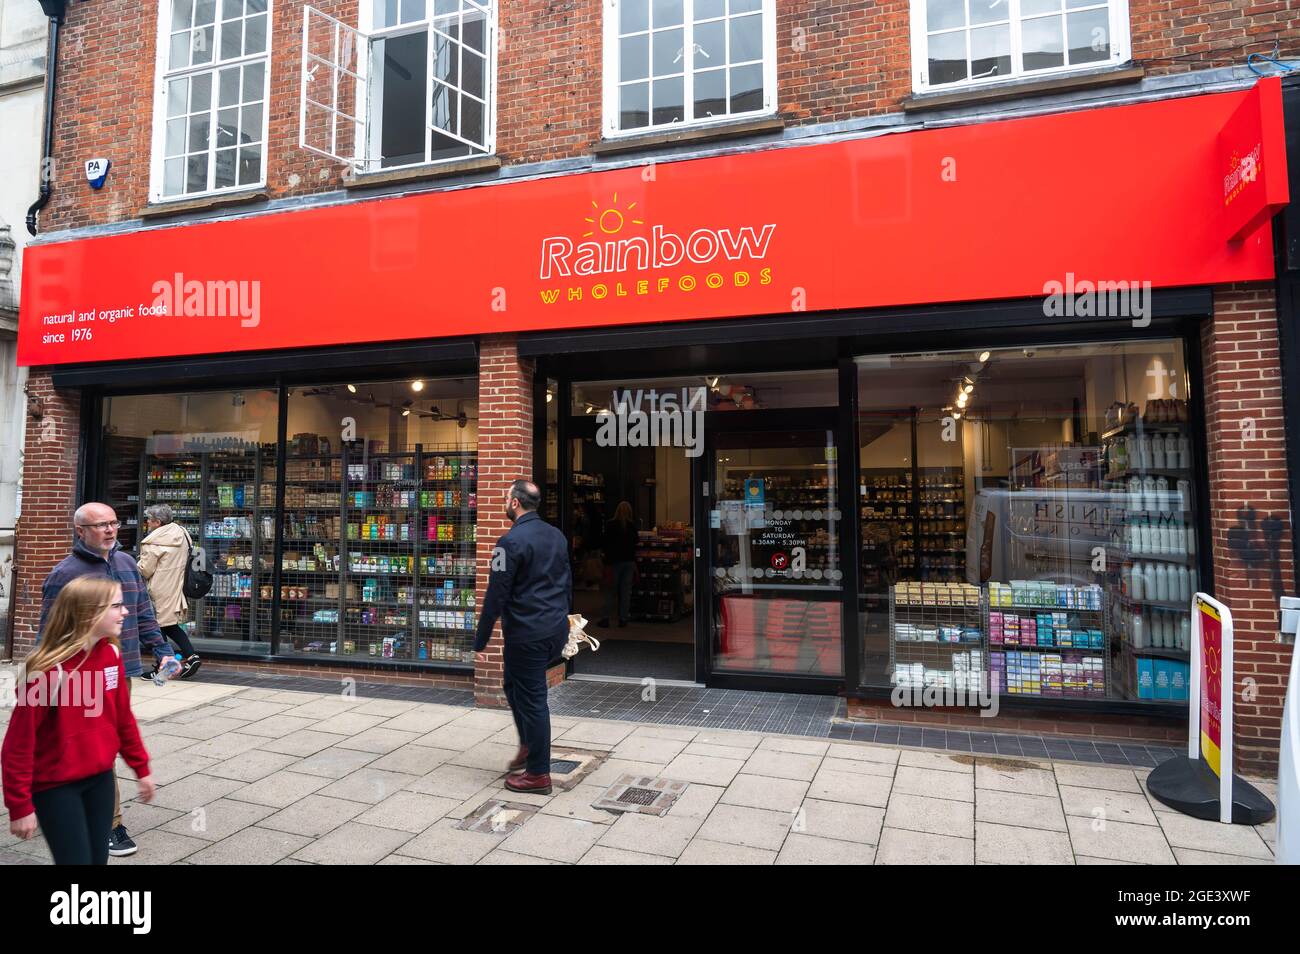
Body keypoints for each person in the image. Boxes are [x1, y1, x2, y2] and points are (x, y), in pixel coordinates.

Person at [39, 502, 167, 858]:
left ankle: (74, 804)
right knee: (96, 748)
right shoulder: (65, 573)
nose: (110, 530)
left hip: (120, 668)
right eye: (100, 525)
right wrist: (42, 678)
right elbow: (47, 631)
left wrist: (161, 649)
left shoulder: (127, 564)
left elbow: (142, 611)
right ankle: (109, 824)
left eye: (113, 523)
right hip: (78, 675)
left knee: (110, 740)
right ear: (80, 531)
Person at [3, 576, 155, 865]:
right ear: (88, 613)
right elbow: (17, 746)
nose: (125, 612)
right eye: (117, 605)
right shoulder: (47, 672)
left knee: (97, 860)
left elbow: (123, 719)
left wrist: (141, 768)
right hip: (56, 787)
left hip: (100, 781)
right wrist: (19, 805)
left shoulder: (111, 654)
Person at [474, 479, 572, 795]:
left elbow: (495, 595)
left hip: (528, 634)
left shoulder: (508, 543)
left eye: (506, 498)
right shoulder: (557, 536)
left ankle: (538, 774)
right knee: (513, 684)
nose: (504, 502)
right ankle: (529, 745)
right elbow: (567, 581)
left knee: (533, 700)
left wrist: (481, 639)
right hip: (554, 629)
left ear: (515, 503)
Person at [138, 504, 202, 679]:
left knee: (157, 627)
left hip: (159, 588)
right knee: (168, 625)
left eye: (149, 520)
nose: (147, 523)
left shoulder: (154, 541)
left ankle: (162, 667)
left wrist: (133, 565)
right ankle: (191, 656)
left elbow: (145, 570)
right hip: (176, 585)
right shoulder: (182, 532)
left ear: (157, 522)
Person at [598, 501, 639, 628]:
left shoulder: (611, 525)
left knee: (611, 590)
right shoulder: (632, 526)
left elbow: (605, 543)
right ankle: (623, 618)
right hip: (629, 561)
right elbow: (636, 542)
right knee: (626, 591)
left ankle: (606, 618)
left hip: (614, 562)